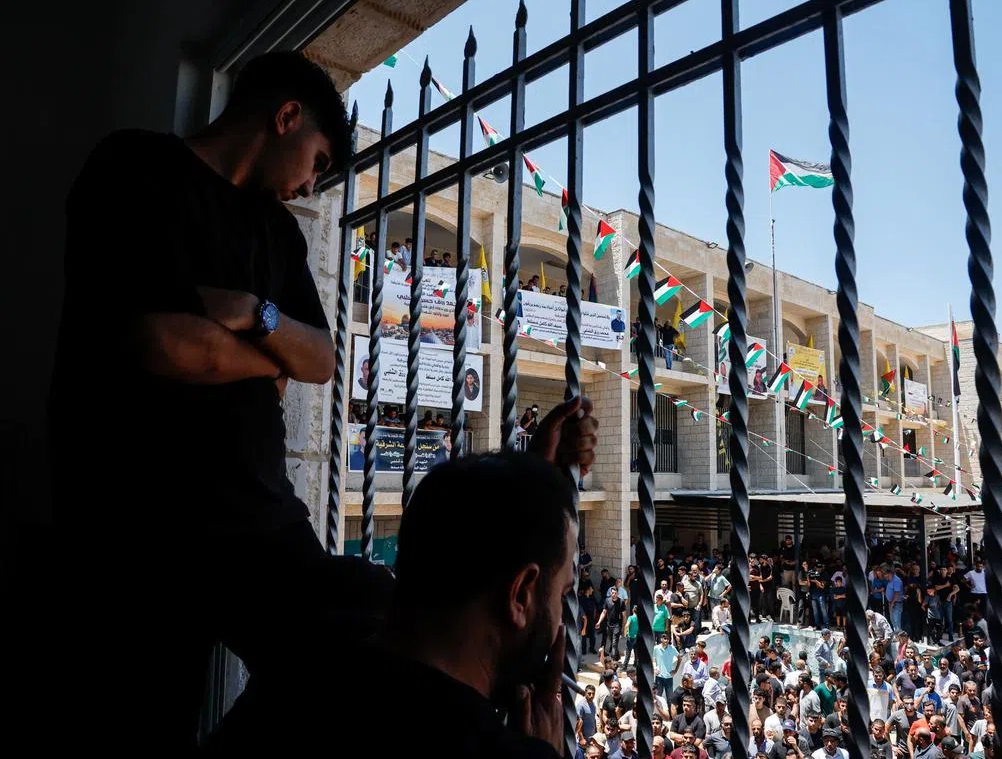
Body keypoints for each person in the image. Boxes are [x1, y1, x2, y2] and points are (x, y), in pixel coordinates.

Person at [52, 50, 360, 751]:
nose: (310, 185)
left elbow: (320, 360)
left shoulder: (277, 232)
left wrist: (255, 313)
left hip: (258, 517)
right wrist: (269, 362)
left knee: (355, 649)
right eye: (316, 161)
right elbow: (159, 343)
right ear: (286, 116)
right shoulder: (135, 168)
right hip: (135, 524)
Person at [205, 396, 598, 751]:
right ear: (521, 595)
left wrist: (532, 485)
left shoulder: (336, 618)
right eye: (562, 592)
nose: (562, 616)